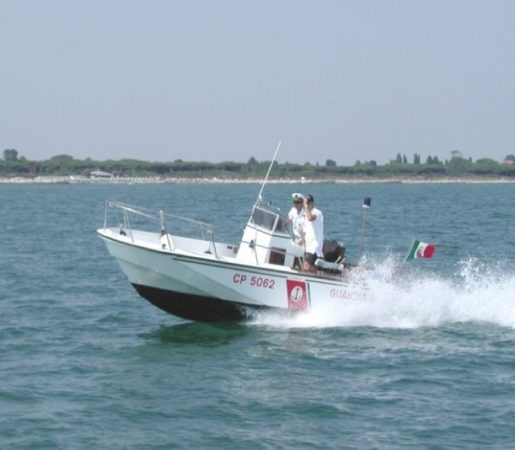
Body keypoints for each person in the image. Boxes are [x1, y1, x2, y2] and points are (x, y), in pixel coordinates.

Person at [303, 194, 324, 272]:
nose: (306, 205)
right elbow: (306, 229)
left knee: (306, 267)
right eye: (305, 203)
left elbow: (310, 218)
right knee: (310, 268)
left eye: (307, 203)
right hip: (308, 245)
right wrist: (302, 239)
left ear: (312, 203)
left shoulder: (317, 212)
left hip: (314, 246)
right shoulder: (306, 213)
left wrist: (305, 207)